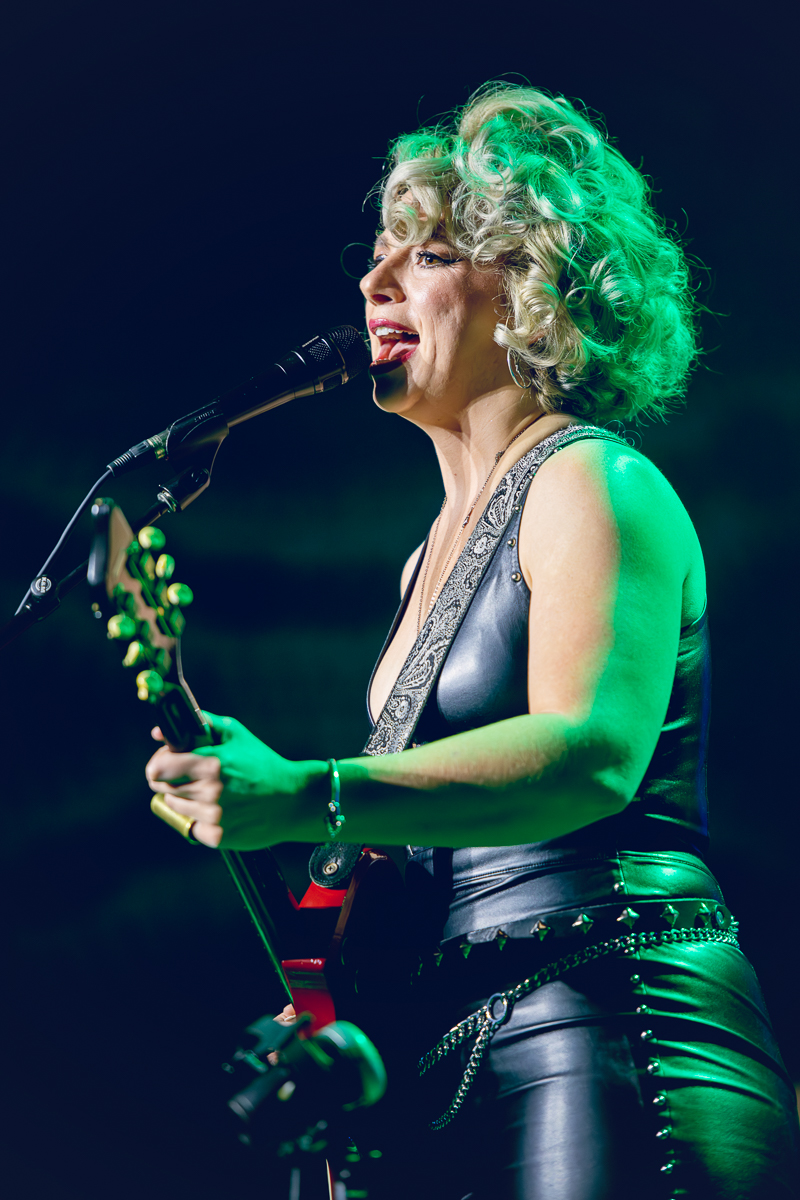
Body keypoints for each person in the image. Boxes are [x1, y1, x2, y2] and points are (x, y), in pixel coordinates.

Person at [145, 85, 799, 1198]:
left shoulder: (593, 479)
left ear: (533, 290)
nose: (374, 284)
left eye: (430, 255)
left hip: (610, 1014)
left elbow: (589, 753)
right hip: (467, 1049)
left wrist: (306, 792)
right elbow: (421, 848)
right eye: (377, 258)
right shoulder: (421, 564)